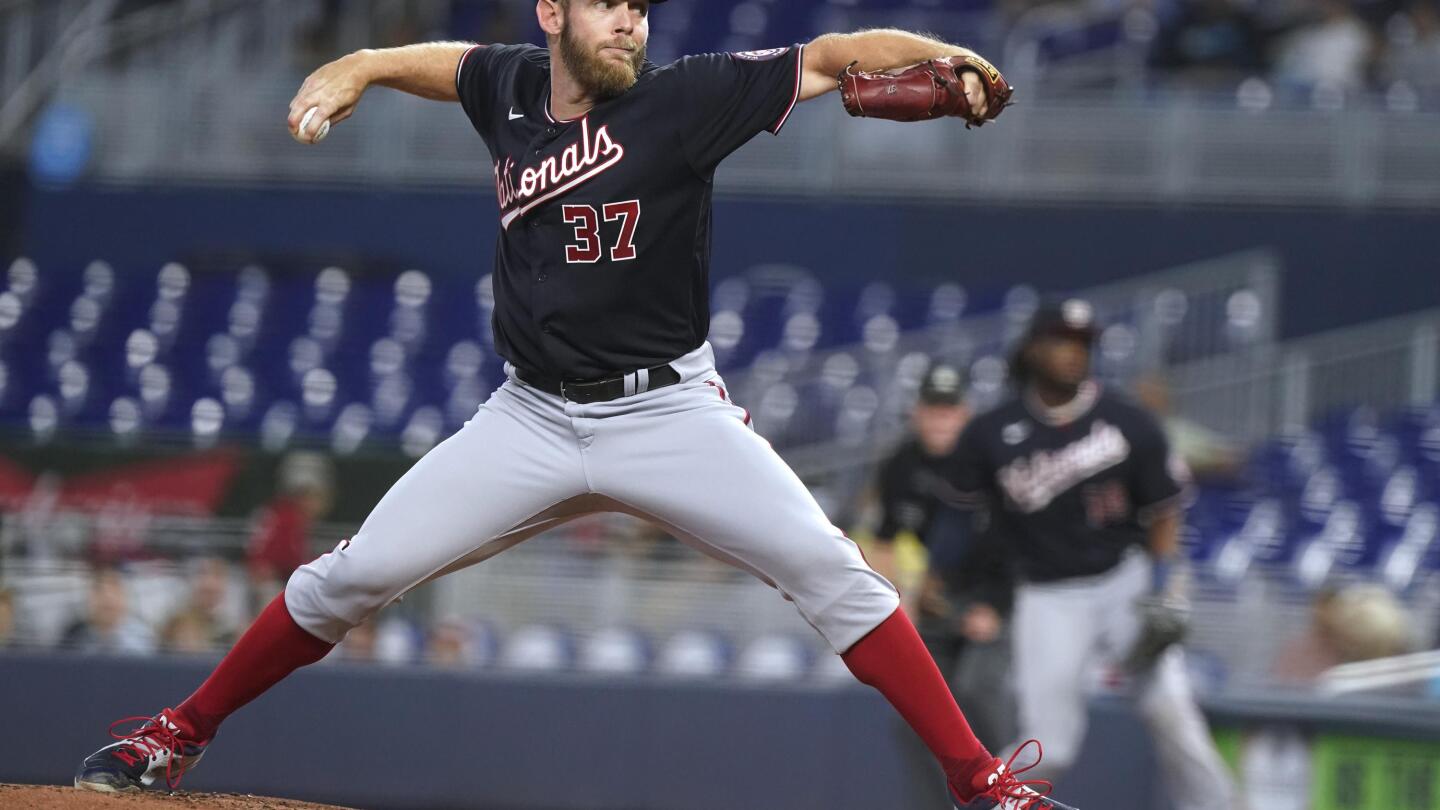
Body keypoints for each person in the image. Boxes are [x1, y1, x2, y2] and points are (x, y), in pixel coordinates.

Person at [73, 3, 1063, 808]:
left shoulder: (690, 99)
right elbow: (447, 62)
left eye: (639, 8)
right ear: (555, 15)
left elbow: (840, 54)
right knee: (353, 574)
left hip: (669, 413)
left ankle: (978, 781)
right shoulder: (507, 87)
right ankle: (175, 735)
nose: (630, 22)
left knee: (829, 567)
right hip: (531, 418)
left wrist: (944, 53)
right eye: (608, 7)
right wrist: (367, 64)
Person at [948, 299, 1237, 810]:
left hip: (1121, 582)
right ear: (1034, 349)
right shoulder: (991, 432)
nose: (1074, 353)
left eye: (1082, 343)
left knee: (1173, 714)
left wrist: (1164, 583)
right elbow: (961, 518)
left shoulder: (1127, 421)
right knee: (1050, 745)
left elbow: (1165, 511)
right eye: (1062, 340)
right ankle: (992, 807)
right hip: (1047, 594)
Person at [868, 364, 1019, 808]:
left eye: (949, 410)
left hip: (993, 598)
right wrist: (894, 602)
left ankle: (1013, 793)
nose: (941, 419)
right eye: (933, 409)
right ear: (917, 412)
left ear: (965, 413)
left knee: (977, 692)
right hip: (935, 600)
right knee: (914, 717)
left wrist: (993, 607)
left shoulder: (990, 463)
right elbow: (884, 541)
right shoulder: (902, 463)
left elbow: (1022, 543)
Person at [61, 568, 156, 656]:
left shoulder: (145, 640)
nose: (107, 596)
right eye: (98, 589)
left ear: (127, 597)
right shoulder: (73, 637)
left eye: (115, 588)